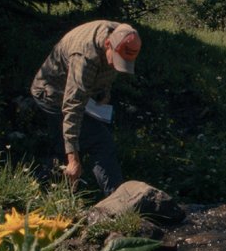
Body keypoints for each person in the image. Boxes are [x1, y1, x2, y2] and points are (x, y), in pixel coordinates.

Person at [28, 20, 142, 193]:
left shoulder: (123, 34)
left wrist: (104, 92)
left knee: (65, 146)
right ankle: (118, 203)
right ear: (107, 44)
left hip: (82, 97)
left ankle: (45, 188)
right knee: (100, 142)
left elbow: (108, 70)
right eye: (117, 60)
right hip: (53, 95)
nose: (117, 66)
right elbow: (73, 105)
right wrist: (73, 158)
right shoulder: (85, 56)